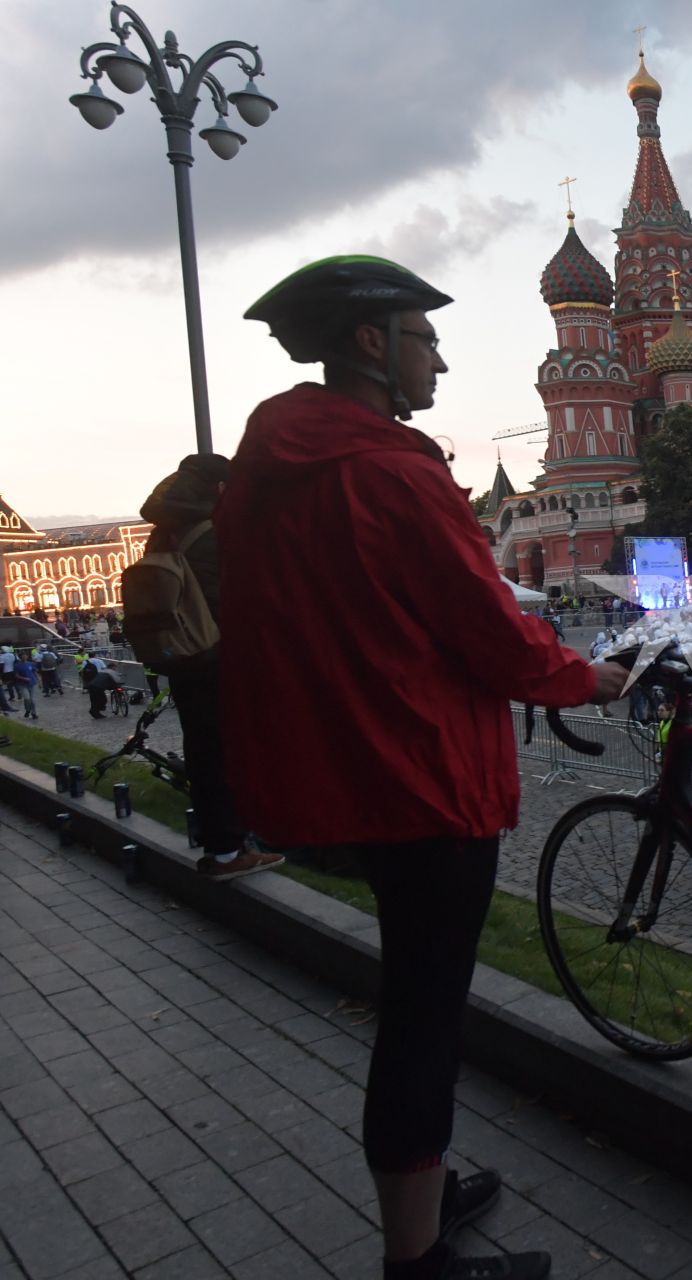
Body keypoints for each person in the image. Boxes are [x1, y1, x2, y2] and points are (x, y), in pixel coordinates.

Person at [222, 255, 629, 1280]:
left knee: (413, 998)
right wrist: (592, 678)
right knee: (422, 1016)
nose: (439, 353)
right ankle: (419, 1256)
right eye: (425, 335)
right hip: (423, 770)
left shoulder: (275, 464)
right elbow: (488, 629)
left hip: (347, 762)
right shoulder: (393, 472)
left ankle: (425, 1183)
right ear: (372, 343)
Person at [133, 454, 284, 879]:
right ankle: (230, 849)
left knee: (203, 751)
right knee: (228, 753)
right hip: (220, 658)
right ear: (219, 488)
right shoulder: (213, 533)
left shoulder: (165, 532)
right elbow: (242, 601)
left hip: (183, 656)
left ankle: (223, 845)